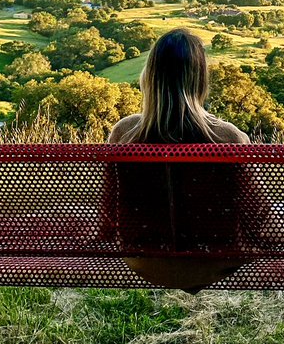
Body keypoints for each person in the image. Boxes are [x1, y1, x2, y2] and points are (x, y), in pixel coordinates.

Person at [108, 27, 256, 293]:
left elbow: (109, 213)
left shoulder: (124, 133)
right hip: (214, 263)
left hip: (145, 262)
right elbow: (255, 217)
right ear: (200, 80)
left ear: (149, 76)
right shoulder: (229, 138)